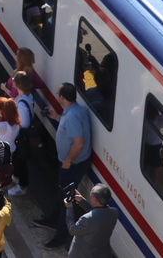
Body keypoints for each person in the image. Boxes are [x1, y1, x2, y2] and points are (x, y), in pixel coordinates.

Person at [37, 82, 93, 249]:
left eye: (58, 93)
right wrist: (56, 117)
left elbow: (78, 143)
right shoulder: (76, 110)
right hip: (73, 162)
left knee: (66, 200)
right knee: (61, 192)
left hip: (73, 164)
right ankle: (53, 221)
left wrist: (67, 161)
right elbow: (72, 129)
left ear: (62, 97)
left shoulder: (72, 116)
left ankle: (60, 237)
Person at [66, 184, 119, 258]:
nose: (90, 194)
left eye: (91, 193)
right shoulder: (114, 212)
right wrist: (82, 201)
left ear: (95, 200)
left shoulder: (86, 219)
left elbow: (72, 230)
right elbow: (98, 214)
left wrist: (69, 208)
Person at [7, 72, 34, 196]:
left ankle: (22, 186)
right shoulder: (25, 96)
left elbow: (25, 123)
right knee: (17, 159)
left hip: (20, 137)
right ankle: (17, 176)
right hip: (19, 135)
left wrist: (14, 121)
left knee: (20, 161)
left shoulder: (22, 103)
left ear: (17, 85)